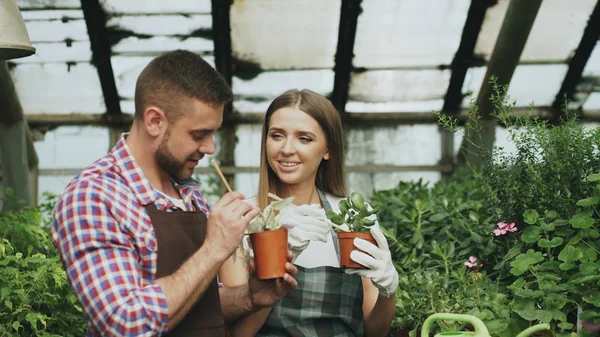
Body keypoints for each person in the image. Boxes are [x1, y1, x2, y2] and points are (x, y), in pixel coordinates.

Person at [51, 50, 298, 337]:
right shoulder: (93, 197)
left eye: (213, 133)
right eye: (198, 134)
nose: (210, 148)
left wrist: (249, 297)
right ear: (155, 121)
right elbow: (124, 324)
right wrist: (213, 250)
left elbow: (198, 305)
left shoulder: (187, 192)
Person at [219, 89, 398, 336]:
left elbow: (374, 331)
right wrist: (275, 264)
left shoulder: (352, 217)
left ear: (328, 149)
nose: (287, 149)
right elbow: (238, 334)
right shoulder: (243, 220)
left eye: (304, 138)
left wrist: (389, 291)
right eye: (277, 135)